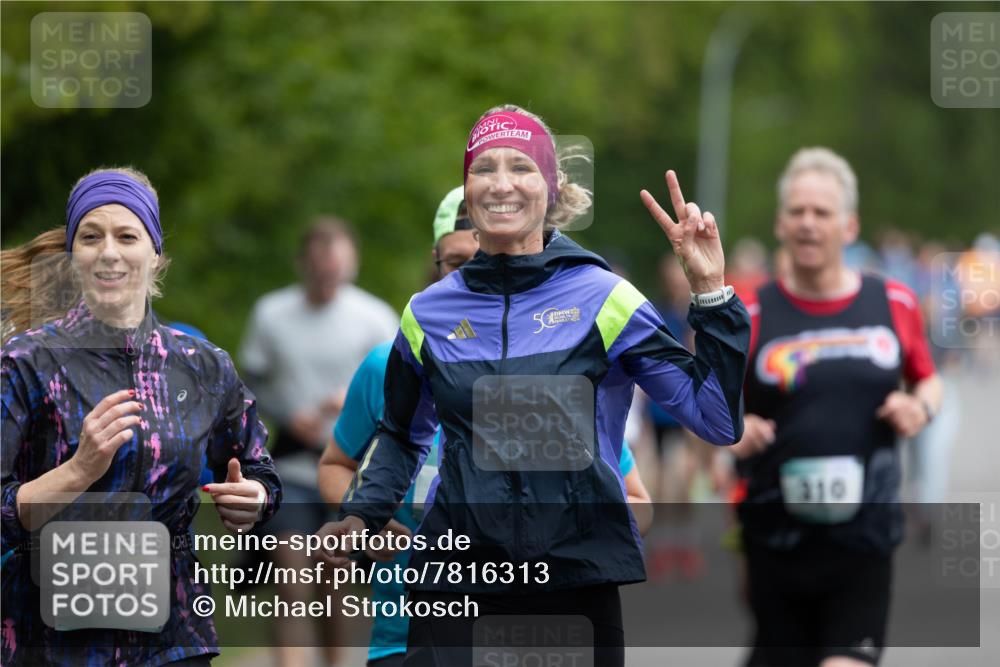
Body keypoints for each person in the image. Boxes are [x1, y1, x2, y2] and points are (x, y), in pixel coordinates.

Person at [318, 104, 750, 666]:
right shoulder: (428, 313)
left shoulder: (604, 298)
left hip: (574, 581)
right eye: (484, 168)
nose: (501, 183)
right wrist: (362, 515)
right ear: (467, 189)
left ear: (551, 187)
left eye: (520, 167)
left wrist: (712, 292)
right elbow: (401, 434)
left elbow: (715, 417)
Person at [317, 187, 652, 667]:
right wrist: (364, 515)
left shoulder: (548, 376)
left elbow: (638, 500)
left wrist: (566, 524)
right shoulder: (386, 364)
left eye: (484, 257)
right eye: (456, 262)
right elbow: (335, 463)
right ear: (434, 265)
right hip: (405, 623)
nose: (478, 272)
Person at [1, 166, 282, 666]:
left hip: (171, 639)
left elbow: (259, 470)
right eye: (91, 237)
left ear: (155, 254)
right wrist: (78, 470)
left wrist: (253, 498)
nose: (108, 251)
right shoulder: (27, 362)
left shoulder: (202, 366)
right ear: (72, 256)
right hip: (49, 641)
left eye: (126, 236)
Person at [733, 148, 943, 667]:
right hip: (776, 539)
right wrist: (734, 430)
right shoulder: (752, 312)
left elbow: (929, 380)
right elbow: (710, 410)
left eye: (821, 212)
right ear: (780, 223)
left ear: (849, 227)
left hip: (864, 538)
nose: (808, 223)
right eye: (798, 211)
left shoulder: (893, 303)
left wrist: (919, 407)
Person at [238, 216, 397, 665]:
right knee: (290, 575)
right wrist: (287, 415)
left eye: (337, 268)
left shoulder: (375, 317)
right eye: (320, 268)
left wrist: (352, 399)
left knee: (333, 582)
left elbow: (399, 389)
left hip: (350, 468)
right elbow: (247, 385)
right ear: (303, 264)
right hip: (291, 466)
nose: (328, 277)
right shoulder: (271, 313)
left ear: (352, 265)